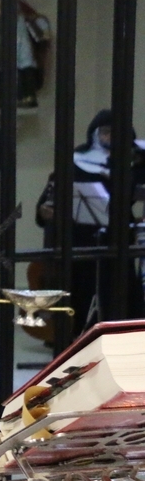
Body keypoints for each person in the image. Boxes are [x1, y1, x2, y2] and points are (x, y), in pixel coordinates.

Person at [35, 109, 145, 328]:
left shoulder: (133, 163)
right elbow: (47, 200)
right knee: (82, 296)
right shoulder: (76, 161)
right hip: (80, 241)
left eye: (117, 133)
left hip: (117, 240)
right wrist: (44, 211)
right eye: (106, 132)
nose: (111, 138)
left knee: (118, 297)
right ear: (94, 134)